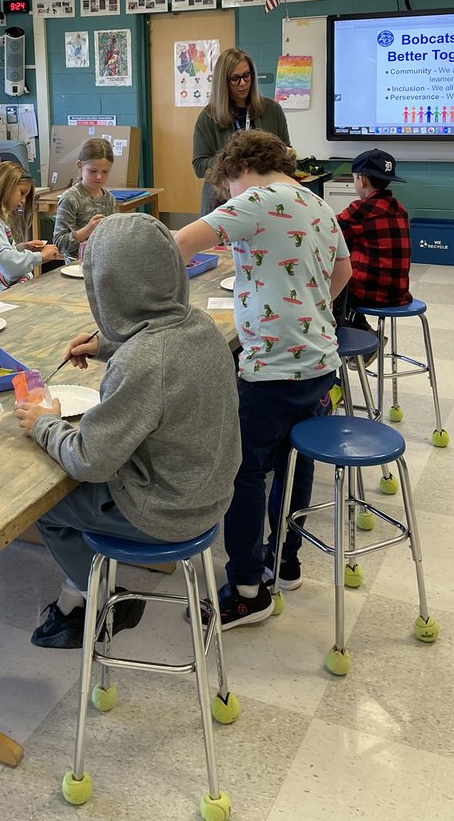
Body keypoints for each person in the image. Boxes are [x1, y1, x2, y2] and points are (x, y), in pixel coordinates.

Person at [14, 212, 241, 648]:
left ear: (105, 287)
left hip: (166, 511)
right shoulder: (201, 327)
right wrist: (107, 343)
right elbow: (159, 353)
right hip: (210, 493)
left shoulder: (142, 363)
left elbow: (89, 460)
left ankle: (97, 598)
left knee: (44, 509)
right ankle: (88, 588)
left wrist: (44, 424)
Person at [175, 131, 351, 629]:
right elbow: (343, 270)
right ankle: (285, 560)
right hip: (319, 361)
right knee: (293, 461)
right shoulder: (315, 201)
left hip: (271, 368)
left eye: (226, 188)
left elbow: (179, 244)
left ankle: (248, 590)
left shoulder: (253, 200)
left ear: (236, 172)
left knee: (245, 472)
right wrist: (310, 308)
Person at [192, 47, 291, 215]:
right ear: (223, 81)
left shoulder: (272, 110)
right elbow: (199, 166)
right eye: (235, 79)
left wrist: (280, 156)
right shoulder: (208, 117)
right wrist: (235, 162)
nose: (243, 83)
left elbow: (286, 154)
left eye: (247, 75)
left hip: (267, 200)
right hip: (223, 203)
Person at [336, 148, 412, 317]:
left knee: (333, 280)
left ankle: (347, 328)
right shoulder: (399, 208)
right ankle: (359, 325)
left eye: (353, 178)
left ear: (362, 180)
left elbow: (330, 229)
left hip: (368, 293)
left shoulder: (361, 209)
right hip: (398, 293)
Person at [0, 162, 60, 297]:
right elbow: (5, 262)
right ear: (5, 186)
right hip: (7, 298)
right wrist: (40, 256)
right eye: (22, 193)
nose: (23, 201)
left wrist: (22, 248)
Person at [51, 138, 117, 262]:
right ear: (80, 166)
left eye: (105, 172)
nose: (99, 177)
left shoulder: (109, 199)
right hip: (77, 266)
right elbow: (59, 243)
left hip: (103, 263)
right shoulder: (71, 198)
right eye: (93, 171)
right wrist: (87, 230)